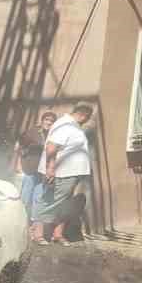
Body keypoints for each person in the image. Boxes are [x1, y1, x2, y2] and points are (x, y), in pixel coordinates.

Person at [35, 102, 95, 244]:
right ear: (83, 114)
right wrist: (50, 169)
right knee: (49, 202)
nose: (88, 120)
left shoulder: (73, 126)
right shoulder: (65, 125)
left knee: (64, 205)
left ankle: (58, 234)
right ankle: (38, 234)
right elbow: (51, 147)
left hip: (71, 173)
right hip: (61, 173)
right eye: (88, 117)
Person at [13, 110, 57, 229]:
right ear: (42, 121)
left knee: (38, 198)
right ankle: (19, 219)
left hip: (42, 171)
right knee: (25, 196)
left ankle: (32, 223)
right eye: (46, 120)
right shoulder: (31, 133)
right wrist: (18, 164)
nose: (48, 123)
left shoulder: (53, 135)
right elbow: (19, 147)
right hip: (29, 168)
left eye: (51, 121)